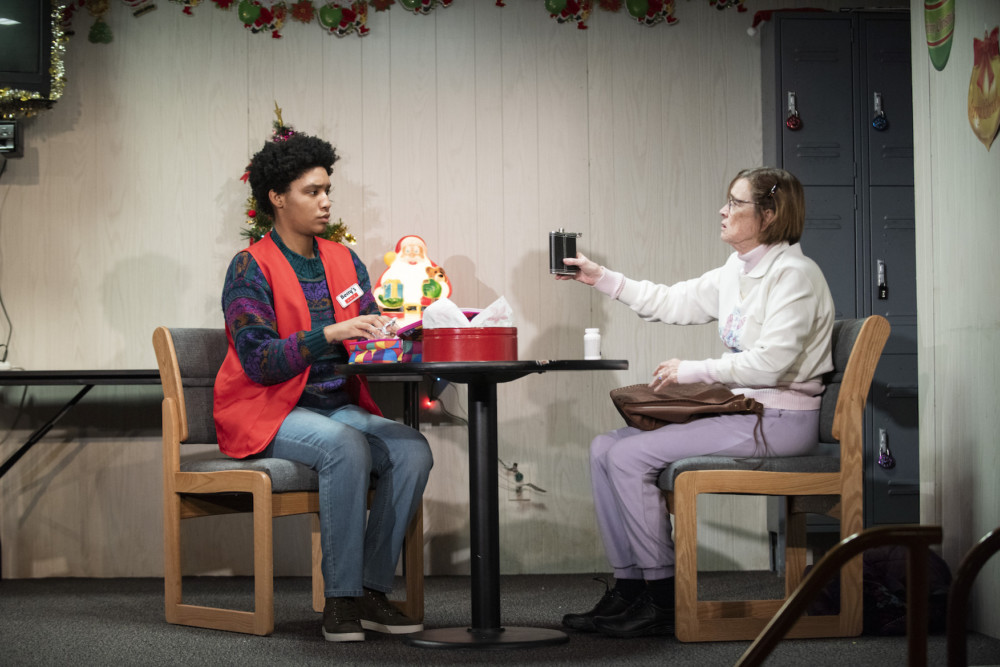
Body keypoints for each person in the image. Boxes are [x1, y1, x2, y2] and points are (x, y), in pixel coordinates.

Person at [555, 167, 834, 638]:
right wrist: (601, 278)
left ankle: (663, 601)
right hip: (746, 411)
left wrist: (695, 369)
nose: (723, 211)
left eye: (735, 203)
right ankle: (631, 587)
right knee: (605, 447)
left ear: (768, 214)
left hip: (781, 419)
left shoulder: (796, 275)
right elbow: (672, 301)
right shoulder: (737, 269)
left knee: (628, 454)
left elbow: (771, 364)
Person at [213, 133, 433, 643]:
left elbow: (367, 330)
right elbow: (261, 360)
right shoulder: (249, 268)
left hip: (334, 404)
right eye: (312, 191)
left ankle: (372, 590)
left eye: (327, 189)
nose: (326, 201)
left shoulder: (343, 260)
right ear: (277, 197)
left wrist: (390, 332)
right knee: (344, 446)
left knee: (412, 449)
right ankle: (341, 600)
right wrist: (329, 334)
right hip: (265, 408)